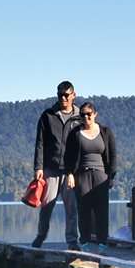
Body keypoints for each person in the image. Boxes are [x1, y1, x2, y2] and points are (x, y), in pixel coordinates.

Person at [31, 81, 80, 248]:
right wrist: (38, 167)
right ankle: (40, 236)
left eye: (66, 95)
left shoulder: (80, 117)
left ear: (74, 95)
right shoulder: (48, 115)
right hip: (51, 169)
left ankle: (72, 241)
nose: (63, 98)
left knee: (72, 209)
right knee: (46, 207)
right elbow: (40, 143)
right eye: (60, 95)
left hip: (71, 172)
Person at [70, 101, 117, 248]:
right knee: (83, 209)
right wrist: (69, 174)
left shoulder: (105, 132)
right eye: (82, 115)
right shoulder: (75, 133)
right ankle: (84, 241)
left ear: (95, 114)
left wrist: (111, 177)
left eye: (88, 114)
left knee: (101, 210)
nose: (86, 117)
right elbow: (68, 156)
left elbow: (113, 155)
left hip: (100, 175)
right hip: (82, 175)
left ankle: (102, 242)